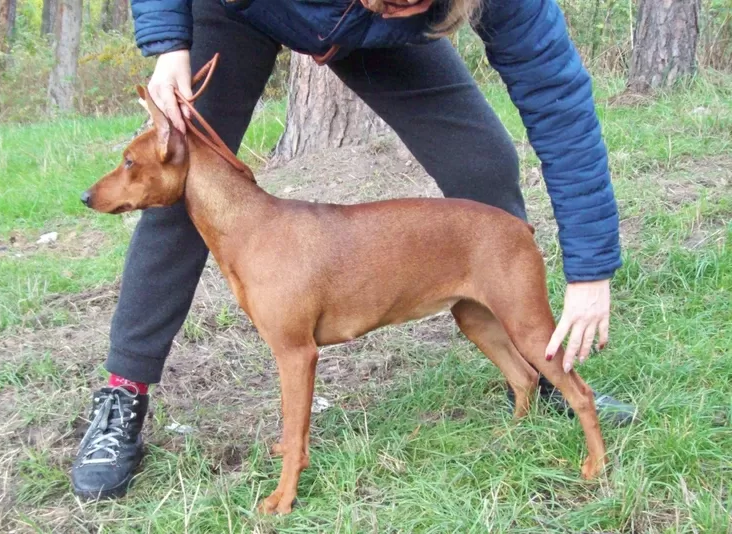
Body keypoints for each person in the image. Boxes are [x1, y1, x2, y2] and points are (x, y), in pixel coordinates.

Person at [70, 0, 637, 500]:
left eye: (413, 1)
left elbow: (558, 99)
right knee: (183, 188)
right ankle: (124, 393)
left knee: (484, 159)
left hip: (368, 36)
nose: (394, 5)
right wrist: (169, 46)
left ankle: (534, 359)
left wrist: (590, 269)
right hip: (241, 9)